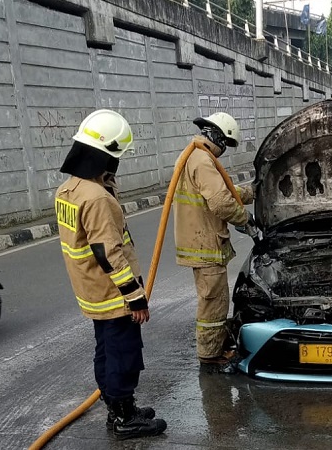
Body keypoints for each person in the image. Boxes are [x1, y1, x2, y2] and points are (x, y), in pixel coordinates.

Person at [55, 109, 166, 439]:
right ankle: (124, 418)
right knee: (123, 354)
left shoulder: (69, 189)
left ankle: (119, 408)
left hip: (90, 290)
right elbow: (108, 253)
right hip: (113, 293)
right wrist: (135, 297)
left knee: (106, 351)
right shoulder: (97, 199)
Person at [172, 112, 254, 374]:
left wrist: (251, 192)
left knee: (213, 298)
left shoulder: (194, 156)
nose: (224, 151)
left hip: (201, 242)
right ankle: (210, 354)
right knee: (213, 302)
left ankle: (214, 348)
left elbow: (222, 190)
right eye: (226, 144)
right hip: (205, 245)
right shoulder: (202, 160)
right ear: (218, 136)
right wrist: (246, 219)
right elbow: (220, 202)